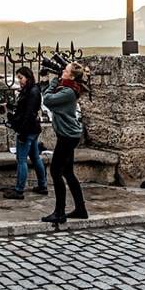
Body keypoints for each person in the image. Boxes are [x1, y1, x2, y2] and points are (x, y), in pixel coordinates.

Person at [41, 61, 88, 223]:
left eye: (65, 71)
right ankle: (81, 209)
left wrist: (53, 81)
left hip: (67, 137)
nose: (62, 72)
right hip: (69, 135)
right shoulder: (69, 88)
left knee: (55, 171)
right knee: (68, 172)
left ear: (72, 75)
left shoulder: (68, 91)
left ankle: (59, 213)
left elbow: (47, 99)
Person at [2, 66, 48, 200]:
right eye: (18, 78)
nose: (19, 81)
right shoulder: (31, 90)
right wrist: (9, 106)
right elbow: (24, 108)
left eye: (21, 78)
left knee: (21, 160)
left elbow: (28, 113)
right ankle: (42, 185)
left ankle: (19, 190)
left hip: (27, 130)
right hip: (33, 130)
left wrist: (22, 133)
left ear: (27, 77)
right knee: (35, 157)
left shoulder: (32, 91)